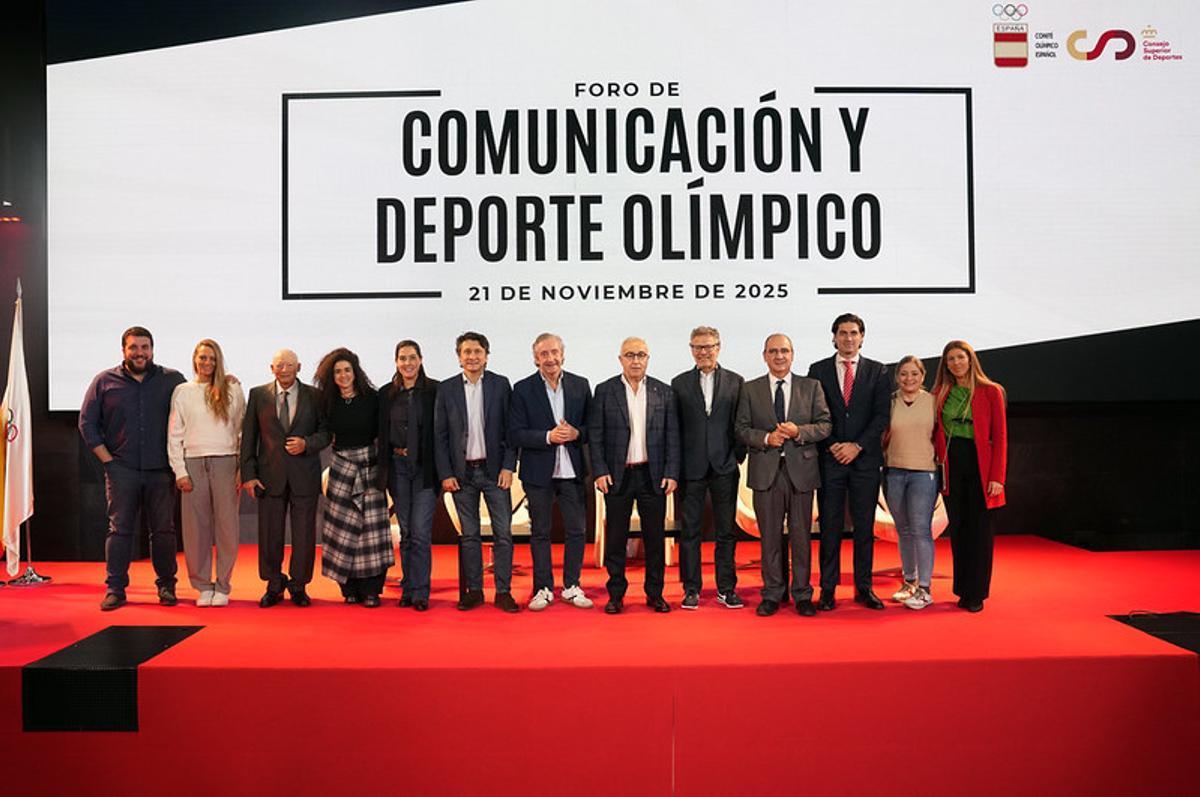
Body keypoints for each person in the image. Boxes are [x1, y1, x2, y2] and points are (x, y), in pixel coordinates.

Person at [80, 326, 186, 610]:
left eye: (145, 347)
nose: (140, 353)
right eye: (134, 348)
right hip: (121, 469)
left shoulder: (173, 380)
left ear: (152, 349)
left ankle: (166, 587)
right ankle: (115, 589)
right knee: (119, 529)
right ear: (123, 350)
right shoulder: (104, 381)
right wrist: (109, 462)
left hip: (162, 470)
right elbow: (87, 424)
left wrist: (226, 380)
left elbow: (198, 400)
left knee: (164, 531)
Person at [736, 333, 831, 616]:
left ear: (793, 354)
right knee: (770, 538)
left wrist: (799, 432)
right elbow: (740, 429)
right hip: (766, 472)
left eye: (784, 351)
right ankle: (773, 593)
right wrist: (766, 439)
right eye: (773, 351)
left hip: (801, 472)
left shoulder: (811, 386)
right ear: (764, 355)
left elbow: (825, 425)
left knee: (802, 536)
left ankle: (802, 594)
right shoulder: (750, 389)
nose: (779, 356)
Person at [589, 336, 680, 615]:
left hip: (653, 476)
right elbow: (595, 436)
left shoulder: (663, 392)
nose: (636, 360)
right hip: (618, 476)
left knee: (654, 538)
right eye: (630, 355)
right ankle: (616, 595)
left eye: (641, 355)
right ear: (620, 359)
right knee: (616, 539)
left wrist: (672, 472)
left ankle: (655, 595)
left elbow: (673, 436)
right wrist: (600, 471)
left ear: (648, 359)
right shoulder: (604, 391)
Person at [807, 313, 891, 611]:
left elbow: (881, 416)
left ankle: (864, 588)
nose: (848, 338)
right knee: (829, 527)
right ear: (834, 337)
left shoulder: (879, 371)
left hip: (864, 461)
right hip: (829, 461)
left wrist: (857, 446)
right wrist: (832, 446)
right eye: (842, 333)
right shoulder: (817, 370)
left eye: (854, 333)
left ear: (862, 336)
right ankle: (828, 589)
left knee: (864, 528)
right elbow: (814, 414)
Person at [434, 332, 519, 613]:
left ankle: (503, 592)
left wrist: (509, 466)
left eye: (477, 351)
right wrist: (446, 473)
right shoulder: (446, 389)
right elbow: (440, 436)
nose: (472, 356)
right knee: (469, 535)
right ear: (459, 357)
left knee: (503, 534)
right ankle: (474, 590)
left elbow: (510, 430)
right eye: (466, 352)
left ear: (486, 355)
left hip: (495, 472)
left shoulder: (500, 384)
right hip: (462, 474)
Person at [509, 333, 594, 611]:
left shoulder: (581, 386)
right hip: (538, 473)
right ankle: (542, 588)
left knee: (577, 530)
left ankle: (571, 585)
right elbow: (516, 433)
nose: (550, 358)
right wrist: (547, 436)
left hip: (572, 472)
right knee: (541, 532)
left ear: (563, 354)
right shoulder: (522, 389)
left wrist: (577, 432)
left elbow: (593, 428)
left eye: (554, 352)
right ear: (535, 358)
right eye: (544, 354)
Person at [240, 349, 330, 608]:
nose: (284, 369)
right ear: (272, 368)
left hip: (305, 476)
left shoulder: (315, 396)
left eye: (289, 365)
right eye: (279, 365)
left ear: (299, 367)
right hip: (270, 477)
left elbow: (325, 433)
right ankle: (273, 584)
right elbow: (249, 437)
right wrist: (248, 474)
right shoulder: (258, 395)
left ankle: (299, 586)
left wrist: (307, 443)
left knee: (304, 535)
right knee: (270, 534)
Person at [671, 325, 746, 609]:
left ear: (719, 347)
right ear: (691, 349)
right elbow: (675, 429)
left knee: (725, 531)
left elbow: (741, 425)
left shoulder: (736, 381)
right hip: (690, 469)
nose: (703, 352)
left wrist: (735, 456)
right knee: (690, 531)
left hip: (725, 466)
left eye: (708, 346)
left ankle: (726, 588)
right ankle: (691, 589)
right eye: (697, 347)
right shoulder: (678, 383)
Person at [167, 339, 246, 607]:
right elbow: (174, 433)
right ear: (195, 359)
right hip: (192, 463)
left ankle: (223, 585)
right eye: (202, 358)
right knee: (195, 530)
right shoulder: (182, 391)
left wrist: (241, 468)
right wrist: (180, 471)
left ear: (218, 361)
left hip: (226, 462)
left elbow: (242, 431)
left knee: (227, 528)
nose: (207, 363)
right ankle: (202, 585)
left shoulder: (233, 389)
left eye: (212, 358)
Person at [932, 340, 1007, 613]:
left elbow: (1000, 437)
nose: (956, 363)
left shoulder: (991, 391)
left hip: (982, 466)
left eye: (960, 357)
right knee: (960, 530)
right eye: (950, 359)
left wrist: (997, 476)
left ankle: (977, 593)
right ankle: (962, 589)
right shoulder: (941, 392)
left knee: (981, 531)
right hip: (952, 465)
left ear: (970, 359)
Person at [315, 348, 392, 608]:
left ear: (356, 372)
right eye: (338, 371)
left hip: (369, 469)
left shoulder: (373, 398)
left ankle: (371, 590)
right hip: (341, 469)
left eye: (347, 370)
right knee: (342, 532)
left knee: (371, 533)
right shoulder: (326, 401)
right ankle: (348, 588)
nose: (343, 375)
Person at [378, 340, 439, 611]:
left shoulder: (435, 391)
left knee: (421, 533)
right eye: (402, 358)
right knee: (406, 533)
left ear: (421, 359)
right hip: (398, 467)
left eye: (412, 357)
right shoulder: (386, 394)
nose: (407, 363)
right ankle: (409, 587)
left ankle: (421, 591)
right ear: (396, 362)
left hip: (426, 470)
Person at [882, 355, 938, 610]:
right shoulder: (889, 402)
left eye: (914, 373)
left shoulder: (933, 402)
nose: (909, 378)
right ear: (897, 377)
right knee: (902, 529)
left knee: (921, 530)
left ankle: (925, 588)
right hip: (894, 471)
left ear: (922, 376)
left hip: (923, 473)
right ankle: (908, 582)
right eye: (904, 373)